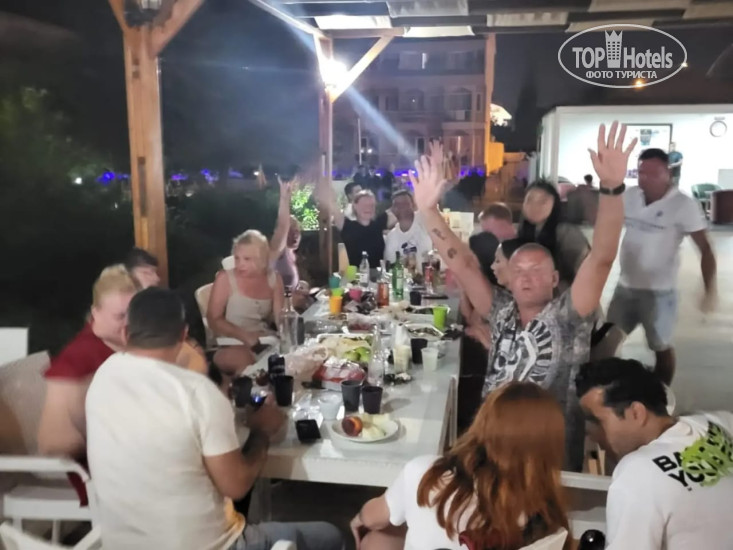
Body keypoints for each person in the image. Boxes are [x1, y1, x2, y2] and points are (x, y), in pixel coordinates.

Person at [410, 122, 637, 470]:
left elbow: (602, 257)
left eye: (536, 270)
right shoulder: (501, 309)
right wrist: (428, 211)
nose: (526, 277)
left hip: (546, 457)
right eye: (518, 271)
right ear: (508, 279)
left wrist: (612, 188)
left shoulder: (568, 315)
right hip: (491, 447)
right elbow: (465, 264)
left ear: (555, 279)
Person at [86, 287, 343, 550]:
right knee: (331, 536)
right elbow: (237, 485)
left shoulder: (102, 378)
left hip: (121, 545)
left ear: (126, 333)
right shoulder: (197, 392)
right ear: (184, 335)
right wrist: (262, 431)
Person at [350, 382, 570, 550]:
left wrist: (360, 517)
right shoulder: (547, 517)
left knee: (376, 539)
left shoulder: (424, 472)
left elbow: (373, 518)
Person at [576, 358, 733, 550]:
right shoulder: (719, 423)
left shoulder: (637, 474)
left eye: (596, 421)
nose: (592, 434)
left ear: (636, 413)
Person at [605, 147, 716, 386]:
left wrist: (709, 289)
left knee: (661, 347)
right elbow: (605, 222)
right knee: (606, 341)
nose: (646, 179)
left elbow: (705, 248)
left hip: (660, 293)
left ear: (668, 173)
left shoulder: (683, 205)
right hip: (625, 288)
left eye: (654, 173)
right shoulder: (630, 196)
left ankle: (662, 394)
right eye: (641, 173)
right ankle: (609, 391)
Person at [38, 265, 137, 458]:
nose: (129, 323)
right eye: (120, 316)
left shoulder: (130, 344)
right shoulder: (75, 361)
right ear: (95, 313)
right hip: (99, 466)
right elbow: (52, 444)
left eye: (134, 315)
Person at [207, 230, 285, 377]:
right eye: (237, 258)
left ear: (261, 259)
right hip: (230, 343)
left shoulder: (274, 278)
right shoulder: (225, 278)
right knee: (250, 368)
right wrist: (245, 336)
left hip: (264, 341)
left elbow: (281, 318)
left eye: (247, 259)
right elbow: (213, 319)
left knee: (285, 365)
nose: (240, 264)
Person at [124, 247, 208, 376]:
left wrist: (193, 344)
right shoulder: (126, 305)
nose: (156, 278)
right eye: (147, 273)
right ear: (128, 275)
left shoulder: (157, 302)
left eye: (155, 272)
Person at [518, 180, 590, 287]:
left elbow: (585, 273)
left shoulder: (567, 233)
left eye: (542, 201)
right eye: (529, 200)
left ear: (554, 204)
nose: (535, 206)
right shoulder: (521, 232)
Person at [317, 185, 396, 267]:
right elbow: (331, 204)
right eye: (364, 205)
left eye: (371, 205)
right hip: (353, 274)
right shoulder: (347, 225)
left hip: (378, 274)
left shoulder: (379, 224)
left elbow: (401, 209)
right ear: (355, 206)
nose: (368, 208)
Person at [383, 190, 432, 267]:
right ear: (393, 209)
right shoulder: (391, 237)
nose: (401, 207)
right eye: (397, 204)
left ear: (413, 205)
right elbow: (391, 267)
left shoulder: (426, 222)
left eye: (405, 203)